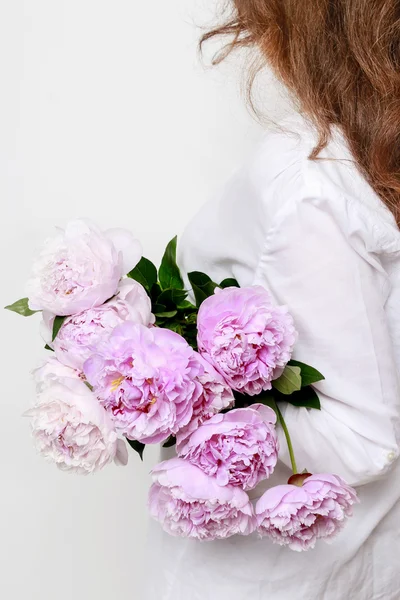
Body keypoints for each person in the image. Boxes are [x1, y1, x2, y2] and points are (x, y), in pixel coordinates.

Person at [145, 2, 400, 598]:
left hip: (290, 575)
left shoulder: (308, 179)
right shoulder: (355, 163)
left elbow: (364, 441)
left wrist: (188, 388)